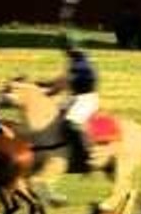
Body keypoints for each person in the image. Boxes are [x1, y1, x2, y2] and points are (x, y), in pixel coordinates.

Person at [39, 31, 98, 173]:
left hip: (86, 99)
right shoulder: (74, 60)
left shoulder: (80, 63)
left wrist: (48, 91)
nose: (64, 51)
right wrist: (39, 85)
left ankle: (86, 155)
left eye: (66, 47)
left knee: (71, 124)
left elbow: (61, 84)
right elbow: (60, 81)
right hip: (74, 98)